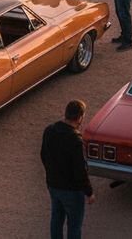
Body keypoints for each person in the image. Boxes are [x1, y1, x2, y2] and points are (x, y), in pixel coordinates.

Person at [41, 99, 94, 239]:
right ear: (80, 117)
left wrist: (50, 175)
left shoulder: (49, 130)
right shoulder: (76, 141)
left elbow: (43, 155)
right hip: (71, 190)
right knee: (74, 226)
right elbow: (80, 171)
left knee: (56, 219)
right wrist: (89, 192)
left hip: (53, 185)